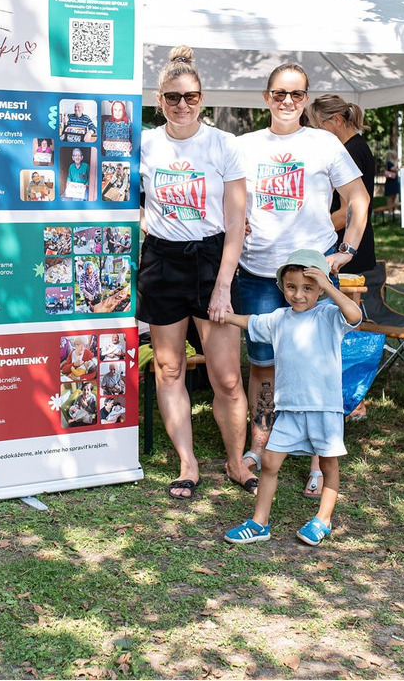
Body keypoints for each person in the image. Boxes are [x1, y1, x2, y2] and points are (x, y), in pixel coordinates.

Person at [234, 63, 370, 491]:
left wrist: (345, 250)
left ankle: (317, 461)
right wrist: (235, 222)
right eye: (279, 94)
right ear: (266, 97)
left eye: (296, 94)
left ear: (306, 98)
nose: (287, 101)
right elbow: (228, 199)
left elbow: (358, 198)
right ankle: (261, 442)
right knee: (262, 364)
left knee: (320, 366)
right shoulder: (245, 145)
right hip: (258, 271)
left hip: (312, 274)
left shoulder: (324, 143)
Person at [138, 45, 252, 499]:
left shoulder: (224, 144)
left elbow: (236, 222)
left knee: (227, 377)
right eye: (172, 97)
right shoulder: (144, 143)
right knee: (169, 369)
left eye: (190, 97)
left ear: (203, 98)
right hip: (161, 259)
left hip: (211, 260)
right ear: (158, 99)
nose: (181, 105)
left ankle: (236, 460)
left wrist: (223, 285)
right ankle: (188, 464)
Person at [221, 249, 362, 547]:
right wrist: (226, 316)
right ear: (282, 286)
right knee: (269, 462)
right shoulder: (279, 319)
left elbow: (355, 315)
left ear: (320, 289)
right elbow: (252, 323)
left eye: (308, 288)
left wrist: (328, 286)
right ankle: (260, 523)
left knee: (328, 465)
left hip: (324, 409)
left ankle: (323, 519)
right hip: (288, 410)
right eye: (291, 287)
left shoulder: (329, 315)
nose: (299, 295)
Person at [308, 94, 378, 431]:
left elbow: (351, 206)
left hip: (348, 249)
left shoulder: (350, 151)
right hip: (346, 247)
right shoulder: (356, 147)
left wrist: (315, 224)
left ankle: (353, 399)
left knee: (344, 324)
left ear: (334, 121)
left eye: (316, 124)